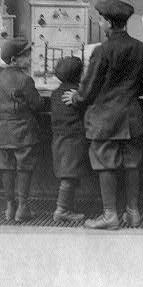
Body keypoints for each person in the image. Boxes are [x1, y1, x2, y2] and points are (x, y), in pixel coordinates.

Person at [62, 0, 143, 230]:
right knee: (132, 163)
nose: (100, 21)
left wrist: (75, 97)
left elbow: (88, 89)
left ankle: (110, 215)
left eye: (101, 18)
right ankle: (133, 213)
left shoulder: (101, 51)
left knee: (105, 163)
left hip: (104, 119)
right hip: (131, 117)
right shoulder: (140, 48)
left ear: (108, 23)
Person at [0, 37, 43, 222]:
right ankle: (23, 207)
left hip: (3, 132)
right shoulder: (25, 80)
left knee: (6, 167)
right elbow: (37, 105)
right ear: (14, 60)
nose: (29, 59)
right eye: (26, 56)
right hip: (23, 133)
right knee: (24, 168)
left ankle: (9, 206)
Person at [50, 56, 89, 223]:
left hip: (59, 138)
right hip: (72, 140)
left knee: (68, 174)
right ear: (79, 75)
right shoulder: (75, 94)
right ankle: (62, 210)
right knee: (69, 175)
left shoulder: (55, 93)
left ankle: (66, 207)